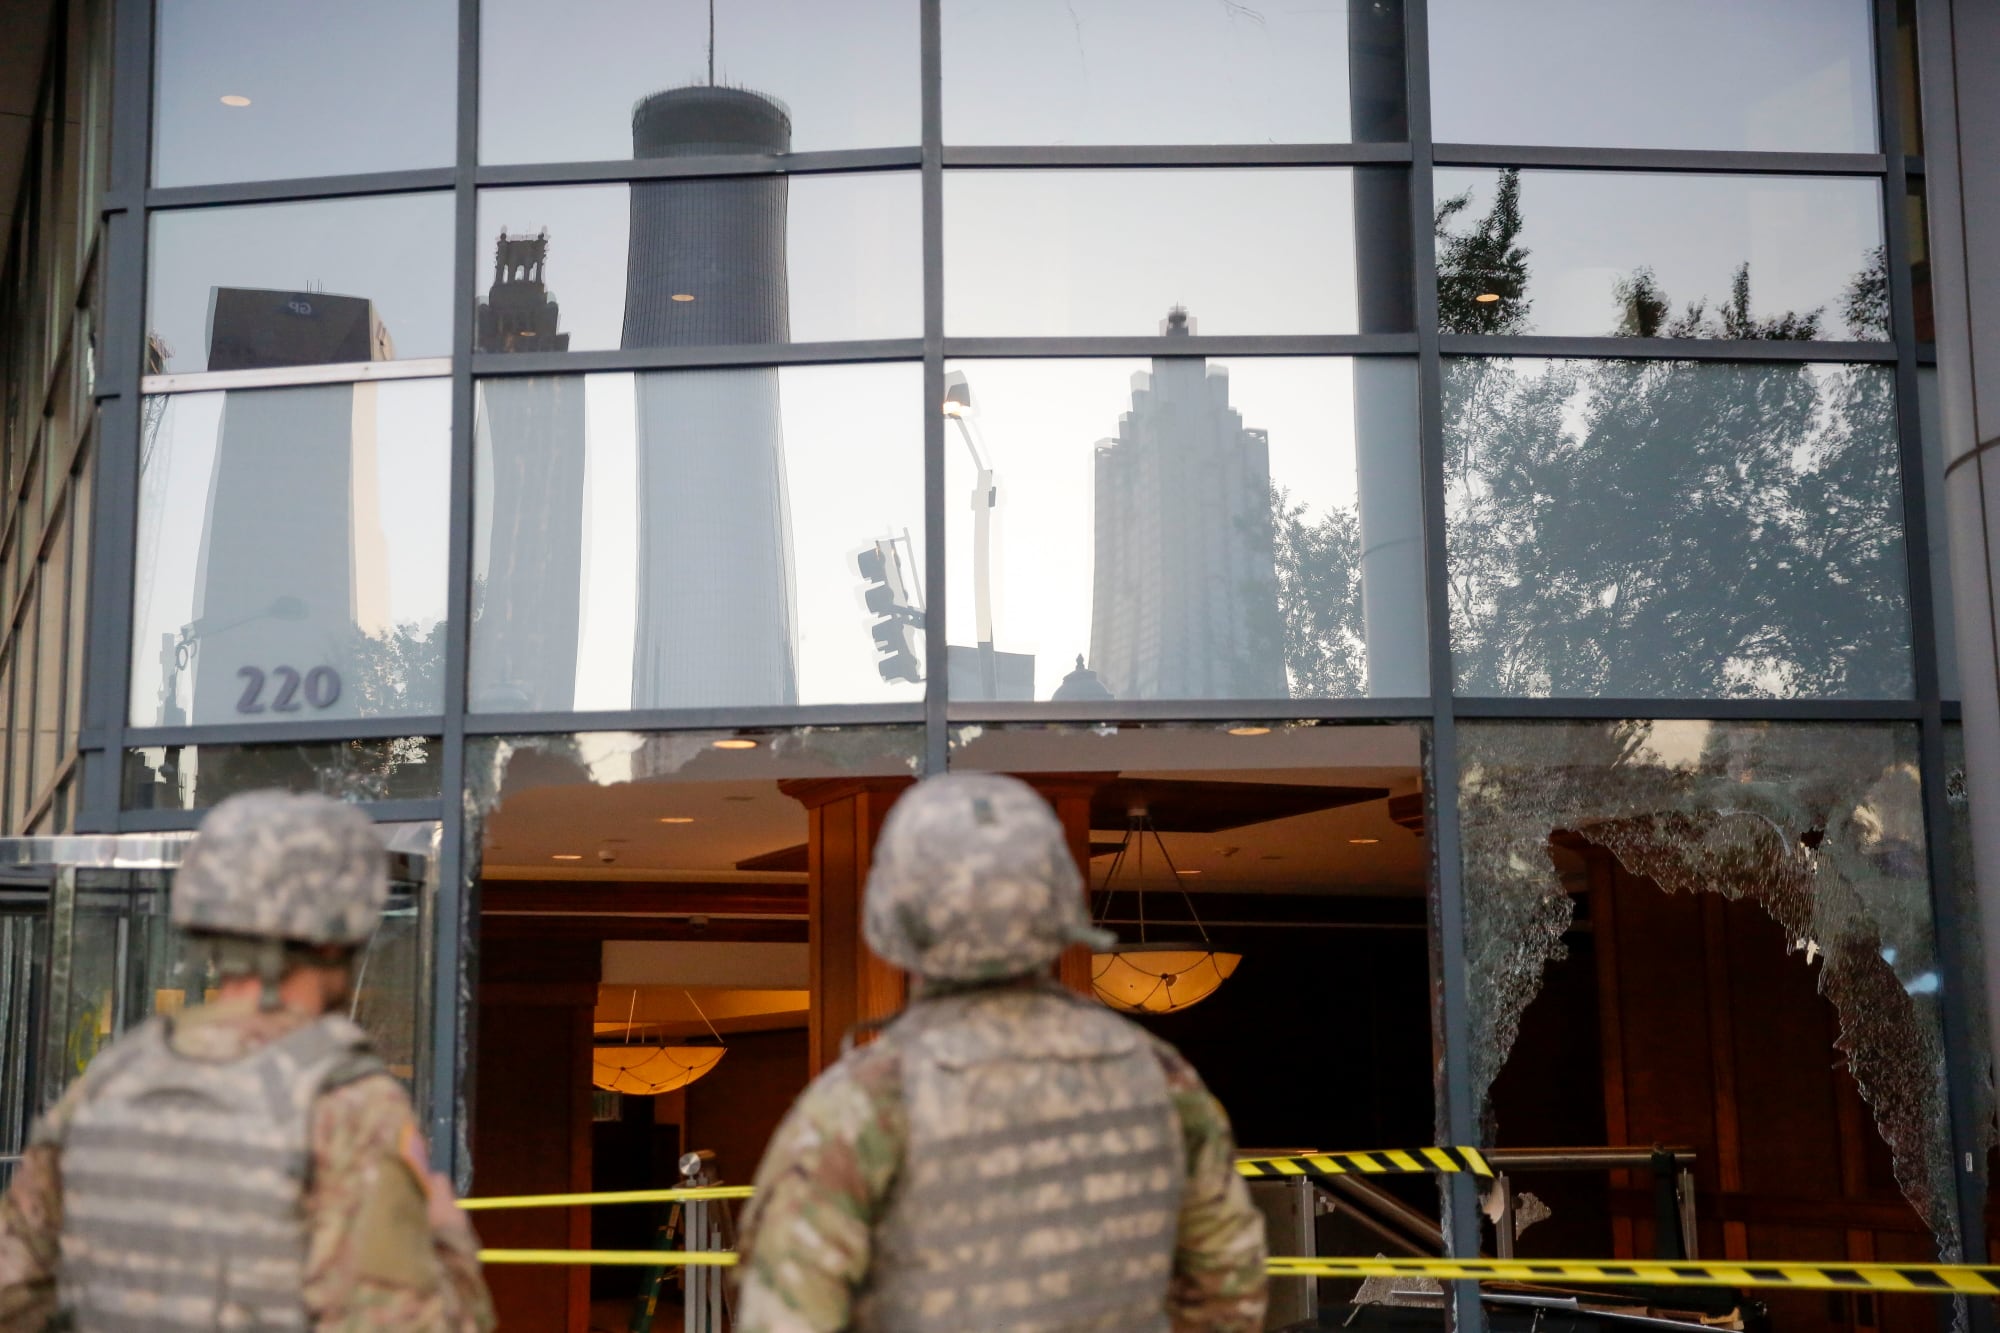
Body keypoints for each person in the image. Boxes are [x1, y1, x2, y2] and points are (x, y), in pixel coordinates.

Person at [734, 773, 1268, 1332]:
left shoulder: (865, 1100)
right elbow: (1229, 1289)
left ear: (895, 915)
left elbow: (785, 1316)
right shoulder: (1159, 1076)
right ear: (1059, 899)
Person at [0, 790, 494, 1332]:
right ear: (337, 939)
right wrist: (447, 1239)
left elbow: (15, 1292)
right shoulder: (346, 1102)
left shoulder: (109, 1081)